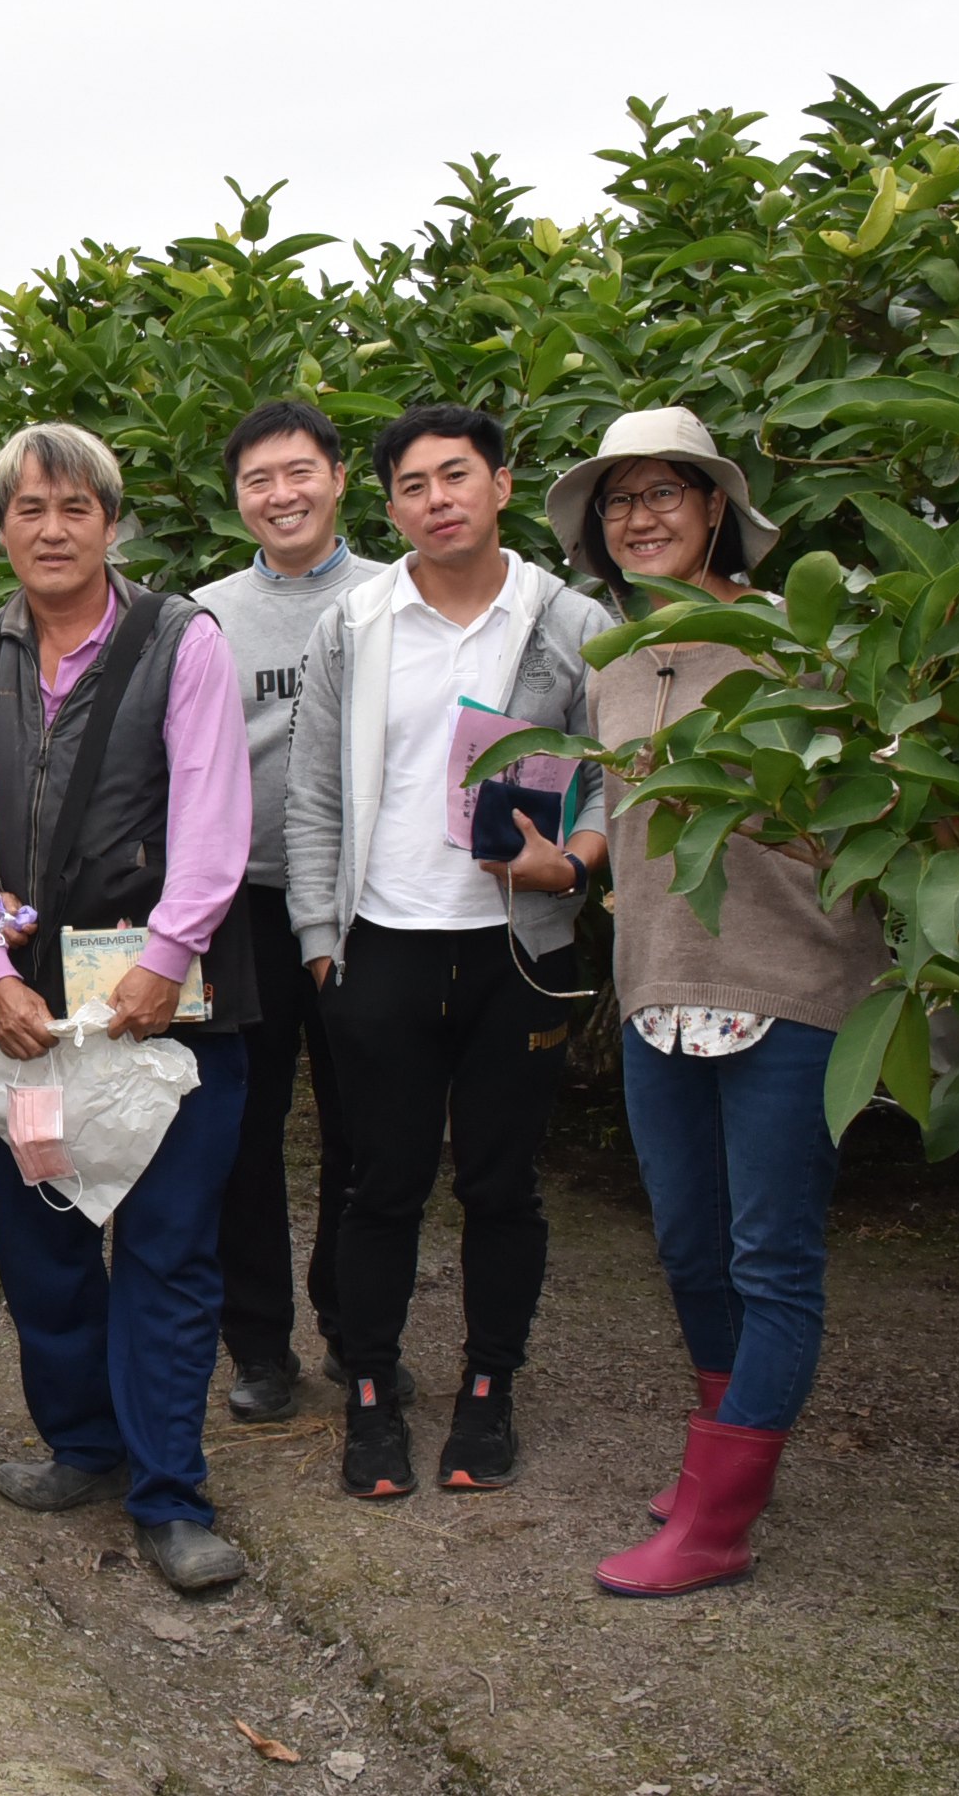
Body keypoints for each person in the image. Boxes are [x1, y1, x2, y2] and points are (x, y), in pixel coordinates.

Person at [545, 407, 887, 1596]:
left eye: (662, 494)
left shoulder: (794, 643)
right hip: (657, 990)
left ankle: (719, 1519)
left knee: (769, 1256)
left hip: (785, 982)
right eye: (618, 501)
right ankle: (725, 1461)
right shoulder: (616, 667)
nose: (639, 517)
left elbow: (875, 808)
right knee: (687, 1248)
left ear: (713, 512)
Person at [0, 422, 259, 1595]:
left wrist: (166, 956)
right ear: (0, 528)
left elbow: (216, 816)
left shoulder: (184, 640)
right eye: (27, 509)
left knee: (166, 1245)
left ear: (111, 522)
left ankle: (170, 1494)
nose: (51, 528)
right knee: (44, 1237)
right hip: (32, 1013)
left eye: (74, 507)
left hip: (172, 1004)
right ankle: (81, 1442)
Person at [285, 403, 611, 1503]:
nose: (437, 500)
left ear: (502, 486)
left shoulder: (566, 619)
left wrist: (572, 865)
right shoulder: (355, 622)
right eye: (414, 485)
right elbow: (315, 787)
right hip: (382, 939)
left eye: (456, 476)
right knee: (380, 1182)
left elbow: (616, 768)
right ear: (387, 506)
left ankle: (489, 1383)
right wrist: (321, 942)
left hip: (515, 945)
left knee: (499, 1182)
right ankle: (370, 1388)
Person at [188, 399, 383, 1424]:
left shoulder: (396, 597)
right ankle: (258, 1343)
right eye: (258, 480)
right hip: (243, 905)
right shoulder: (204, 614)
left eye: (298, 471)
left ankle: (358, 1329)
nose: (280, 494)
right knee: (240, 1132)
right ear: (236, 500)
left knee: (363, 1129)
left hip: (369, 906)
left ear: (338, 477)